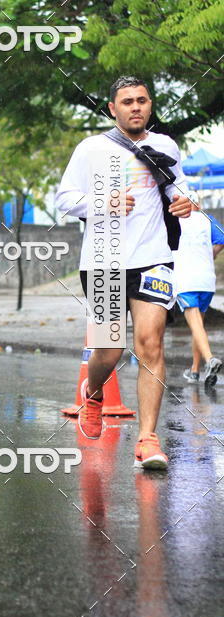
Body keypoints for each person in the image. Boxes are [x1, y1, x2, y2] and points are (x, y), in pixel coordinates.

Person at [56, 75, 192, 470]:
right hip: (103, 260)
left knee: (151, 344)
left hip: (153, 257)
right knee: (110, 349)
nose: (136, 107)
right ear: (112, 109)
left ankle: (148, 438)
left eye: (142, 100)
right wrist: (105, 199)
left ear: (150, 105)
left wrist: (185, 201)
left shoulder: (164, 145)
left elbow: (179, 186)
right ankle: (93, 390)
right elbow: (64, 199)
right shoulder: (90, 149)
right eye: (127, 101)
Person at [173, 192, 223, 386]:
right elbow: (222, 239)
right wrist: (210, 254)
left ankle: (210, 359)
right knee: (198, 326)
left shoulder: (174, 220)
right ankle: (194, 371)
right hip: (207, 281)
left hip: (187, 280)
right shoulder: (207, 219)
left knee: (195, 324)